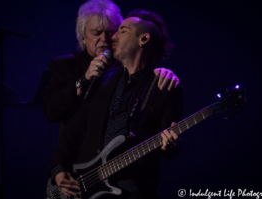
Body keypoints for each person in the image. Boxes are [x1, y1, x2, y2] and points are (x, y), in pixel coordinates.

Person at [51, 9, 183, 199]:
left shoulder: (164, 86)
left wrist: (170, 145)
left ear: (143, 39)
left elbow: (171, 144)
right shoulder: (104, 79)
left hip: (134, 191)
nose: (113, 36)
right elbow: (74, 128)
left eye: (122, 30)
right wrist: (59, 167)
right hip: (88, 187)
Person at [43, 0, 180, 137]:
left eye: (110, 32)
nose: (105, 39)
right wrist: (83, 80)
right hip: (71, 155)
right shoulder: (66, 65)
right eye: (97, 33)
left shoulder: (122, 67)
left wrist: (159, 74)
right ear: (83, 37)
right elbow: (51, 112)